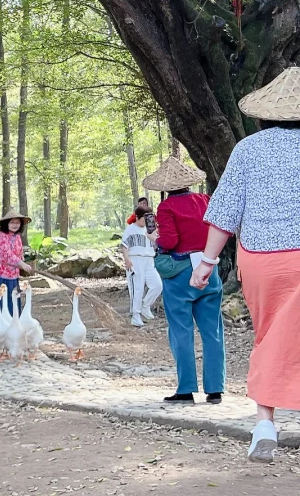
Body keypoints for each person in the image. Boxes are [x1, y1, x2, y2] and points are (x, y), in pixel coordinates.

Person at [194, 66, 300, 463]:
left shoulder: (248, 150)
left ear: (263, 115)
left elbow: (224, 213)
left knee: (269, 334)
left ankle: (265, 424)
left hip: (262, 261)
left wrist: (205, 262)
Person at [144, 156, 224, 405]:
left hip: (180, 274)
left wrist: (154, 239)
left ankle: (186, 389)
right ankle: (215, 390)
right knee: (213, 331)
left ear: (166, 187)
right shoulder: (205, 200)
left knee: (181, 331)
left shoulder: (166, 208)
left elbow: (169, 241)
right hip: (209, 269)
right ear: (189, 183)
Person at [0, 210, 34, 320]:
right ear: (6, 224)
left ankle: (12, 321)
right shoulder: (2, 236)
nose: (15, 225)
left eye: (17, 223)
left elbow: (19, 252)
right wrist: (22, 264)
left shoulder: (17, 236)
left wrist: (23, 261)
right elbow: (6, 255)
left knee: (12, 296)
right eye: (12, 222)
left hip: (12, 273)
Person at [121, 205, 162, 326]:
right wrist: (127, 259)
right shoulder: (130, 229)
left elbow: (156, 243)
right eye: (144, 219)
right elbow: (124, 245)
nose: (146, 221)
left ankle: (145, 305)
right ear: (137, 217)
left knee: (157, 285)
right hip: (135, 259)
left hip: (149, 259)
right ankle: (135, 315)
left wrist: (154, 234)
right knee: (137, 288)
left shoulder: (151, 229)